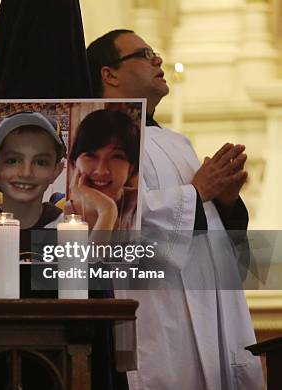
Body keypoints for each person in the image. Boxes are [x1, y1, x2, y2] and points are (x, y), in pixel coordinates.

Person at [87, 29, 263, 389]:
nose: (158, 59)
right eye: (143, 53)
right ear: (110, 74)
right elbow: (121, 224)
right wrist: (197, 193)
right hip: (159, 314)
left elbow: (209, 229)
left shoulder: (176, 142)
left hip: (209, 304)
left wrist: (226, 201)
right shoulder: (99, 147)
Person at [0, 111, 65, 231]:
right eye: (12, 160)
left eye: (41, 162)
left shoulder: (66, 230)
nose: (26, 173)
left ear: (56, 171)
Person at [65, 108, 139, 230]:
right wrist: (107, 210)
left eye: (116, 157)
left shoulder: (143, 206)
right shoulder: (62, 216)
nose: (101, 170)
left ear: (131, 167)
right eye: (90, 155)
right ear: (74, 162)